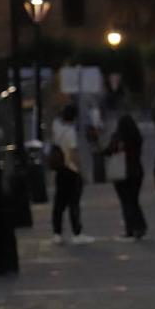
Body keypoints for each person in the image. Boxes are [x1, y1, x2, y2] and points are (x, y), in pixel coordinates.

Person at [50, 104, 92, 245]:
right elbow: (74, 154)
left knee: (59, 203)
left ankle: (57, 233)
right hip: (71, 170)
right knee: (74, 203)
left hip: (60, 169)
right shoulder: (71, 132)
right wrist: (81, 171)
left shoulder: (56, 127)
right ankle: (77, 232)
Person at [103, 114, 147, 240]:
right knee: (134, 200)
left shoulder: (118, 138)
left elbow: (109, 151)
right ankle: (139, 226)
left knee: (126, 202)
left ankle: (132, 228)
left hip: (121, 173)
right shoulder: (137, 138)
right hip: (137, 172)